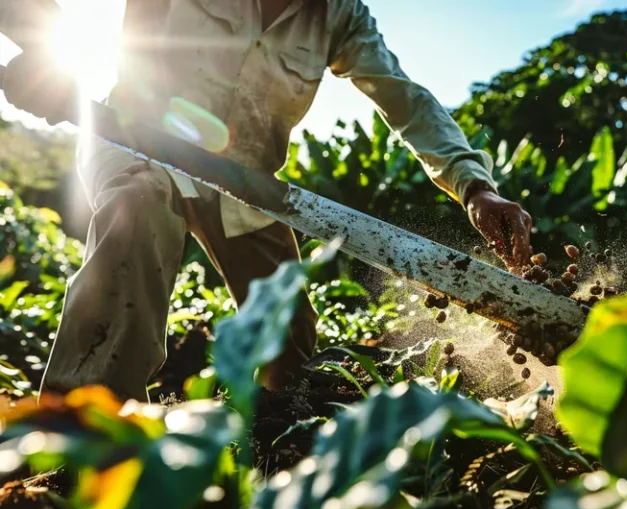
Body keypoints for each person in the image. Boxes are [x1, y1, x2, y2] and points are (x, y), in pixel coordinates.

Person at [0, 0, 533, 402]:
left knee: (291, 351)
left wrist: (476, 187)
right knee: (136, 213)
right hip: (134, 141)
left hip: (240, 178)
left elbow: (405, 100)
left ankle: (272, 440)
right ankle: (85, 428)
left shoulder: (340, 15)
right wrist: (44, 57)